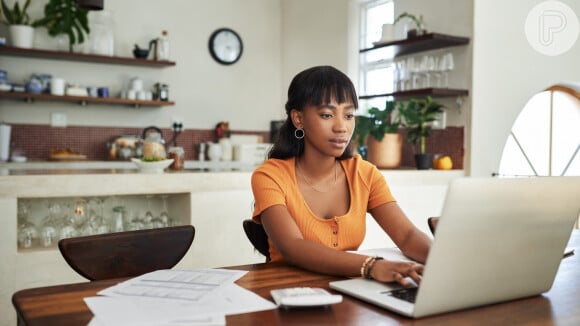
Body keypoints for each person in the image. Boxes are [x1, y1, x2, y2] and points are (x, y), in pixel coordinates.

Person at [251, 66, 431, 285]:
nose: (342, 127)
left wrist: (445, 261)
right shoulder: (270, 176)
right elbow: (293, 247)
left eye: (349, 115)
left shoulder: (364, 174)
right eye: (327, 115)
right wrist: (371, 266)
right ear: (298, 119)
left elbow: (407, 236)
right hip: (286, 294)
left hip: (349, 292)